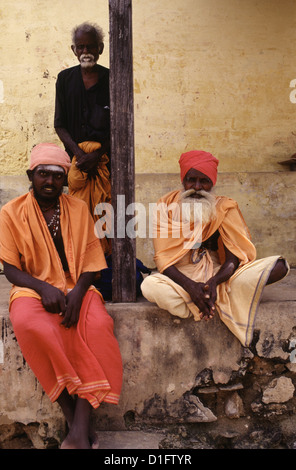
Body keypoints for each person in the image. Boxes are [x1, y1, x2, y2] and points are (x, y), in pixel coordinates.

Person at [0, 143, 122, 449]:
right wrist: (43, 288)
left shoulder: (79, 209)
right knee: (32, 325)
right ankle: (76, 422)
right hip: (32, 286)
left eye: (57, 175)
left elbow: (93, 264)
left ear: (65, 179)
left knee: (97, 328)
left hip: (77, 286)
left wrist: (78, 294)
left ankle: (78, 432)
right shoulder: (10, 213)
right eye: (43, 174)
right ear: (31, 174)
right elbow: (11, 270)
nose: (50, 181)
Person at [141, 150, 289, 347]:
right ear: (182, 179)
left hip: (220, 277)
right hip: (183, 277)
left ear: (213, 182)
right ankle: (207, 302)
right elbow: (163, 260)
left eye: (204, 181)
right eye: (191, 180)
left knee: (279, 266)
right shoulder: (165, 205)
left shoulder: (225, 207)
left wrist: (214, 282)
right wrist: (191, 286)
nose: (197, 187)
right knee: (149, 286)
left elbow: (233, 259)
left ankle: (202, 300)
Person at [54, 22, 111, 253]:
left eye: (90, 46)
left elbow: (120, 126)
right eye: (80, 46)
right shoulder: (65, 79)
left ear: (100, 48)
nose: (85, 51)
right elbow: (60, 125)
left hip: (105, 164)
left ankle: (105, 266)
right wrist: (80, 155)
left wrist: (97, 155)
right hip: (78, 166)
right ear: (73, 50)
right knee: (77, 217)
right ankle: (82, 263)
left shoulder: (112, 78)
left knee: (105, 217)